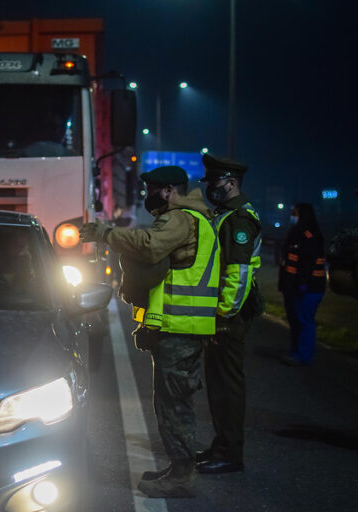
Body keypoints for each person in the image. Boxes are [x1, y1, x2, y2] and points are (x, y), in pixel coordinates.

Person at [81, 166, 219, 498]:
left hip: (182, 327)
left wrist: (105, 233)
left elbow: (148, 246)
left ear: (170, 190)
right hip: (179, 325)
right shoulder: (193, 218)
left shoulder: (181, 218)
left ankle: (182, 477)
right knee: (172, 401)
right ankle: (178, 467)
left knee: (174, 405)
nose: (147, 197)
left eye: (152, 190)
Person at [196, 153, 262, 475]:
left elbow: (237, 274)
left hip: (230, 320)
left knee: (227, 389)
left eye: (216, 182)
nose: (211, 188)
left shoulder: (238, 220)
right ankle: (221, 444)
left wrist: (222, 317)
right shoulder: (227, 214)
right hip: (224, 317)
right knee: (219, 386)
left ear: (231, 182)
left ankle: (230, 454)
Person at [278, 203, 326, 366]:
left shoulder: (310, 235)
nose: (292, 216)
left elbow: (308, 264)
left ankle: (303, 355)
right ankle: (296, 351)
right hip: (293, 287)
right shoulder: (296, 233)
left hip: (308, 288)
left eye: (295, 213)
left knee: (305, 320)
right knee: (296, 320)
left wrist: (302, 284)